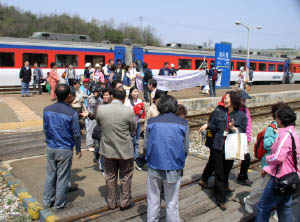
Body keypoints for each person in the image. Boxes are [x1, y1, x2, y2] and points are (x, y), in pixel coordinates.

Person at [199, 91, 247, 210]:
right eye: (225, 98)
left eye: (227, 99)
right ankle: (221, 199)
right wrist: (208, 125)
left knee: (226, 170)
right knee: (219, 173)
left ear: (233, 101)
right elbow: (213, 126)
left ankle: (218, 188)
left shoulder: (241, 116)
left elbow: (243, 130)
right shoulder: (218, 112)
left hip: (231, 147)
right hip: (218, 146)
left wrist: (233, 128)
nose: (224, 100)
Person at [145, 95, 189, 222]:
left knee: (153, 199)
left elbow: (147, 145)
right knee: (172, 201)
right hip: (174, 166)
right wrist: (180, 161)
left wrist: (148, 159)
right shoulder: (183, 123)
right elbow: (185, 148)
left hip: (154, 165)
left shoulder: (151, 122)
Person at [256, 106, 300, 222]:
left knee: (262, 206)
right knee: (284, 207)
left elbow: (279, 157)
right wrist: (268, 168)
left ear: (280, 120)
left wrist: (268, 159)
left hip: (280, 178)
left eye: (276, 118)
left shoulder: (284, 135)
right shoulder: (292, 133)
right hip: (290, 176)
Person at [43, 84, 82, 210]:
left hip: (51, 147)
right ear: (68, 96)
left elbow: (45, 128)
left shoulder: (46, 109)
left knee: (50, 175)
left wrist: (49, 141)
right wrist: (78, 149)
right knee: (62, 177)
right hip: (64, 148)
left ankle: (47, 200)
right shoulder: (72, 113)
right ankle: (59, 204)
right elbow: (76, 133)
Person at [96, 89, 136, 210]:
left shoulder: (101, 109)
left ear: (112, 97)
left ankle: (111, 202)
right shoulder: (129, 111)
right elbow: (133, 129)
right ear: (124, 98)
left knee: (110, 176)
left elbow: (99, 124)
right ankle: (124, 202)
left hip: (108, 149)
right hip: (125, 149)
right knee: (126, 176)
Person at [244, 103, 287, 215]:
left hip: (281, 164)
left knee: (276, 189)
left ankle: (274, 210)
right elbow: (267, 144)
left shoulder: (285, 128)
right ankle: (248, 201)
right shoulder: (271, 128)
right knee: (263, 188)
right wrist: (278, 137)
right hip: (270, 163)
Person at [237, 90, 253, 186]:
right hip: (233, 136)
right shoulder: (232, 109)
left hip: (242, 136)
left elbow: (249, 124)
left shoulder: (246, 110)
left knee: (246, 157)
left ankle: (243, 176)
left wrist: (248, 137)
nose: (244, 101)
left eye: (245, 100)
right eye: (242, 99)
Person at [125, 87, 144, 164]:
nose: (136, 93)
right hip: (130, 124)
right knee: (130, 140)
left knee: (136, 141)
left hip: (138, 122)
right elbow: (126, 112)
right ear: (130, 93)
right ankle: (129, 156)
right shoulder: (127, 102)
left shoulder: (140, 101)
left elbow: (142, 110)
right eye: (134, 91)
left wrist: (140, 112)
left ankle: (135, 156)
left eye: (137, 91)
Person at [86, 85, 102, 152]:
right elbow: (95, 105)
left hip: (97, 116)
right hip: (92, 116)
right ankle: (89, 145)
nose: (98, 93)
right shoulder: (91, 98)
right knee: (90, 130)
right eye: (97, 92)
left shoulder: (98, 98)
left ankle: (95, 144)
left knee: (97, 131)